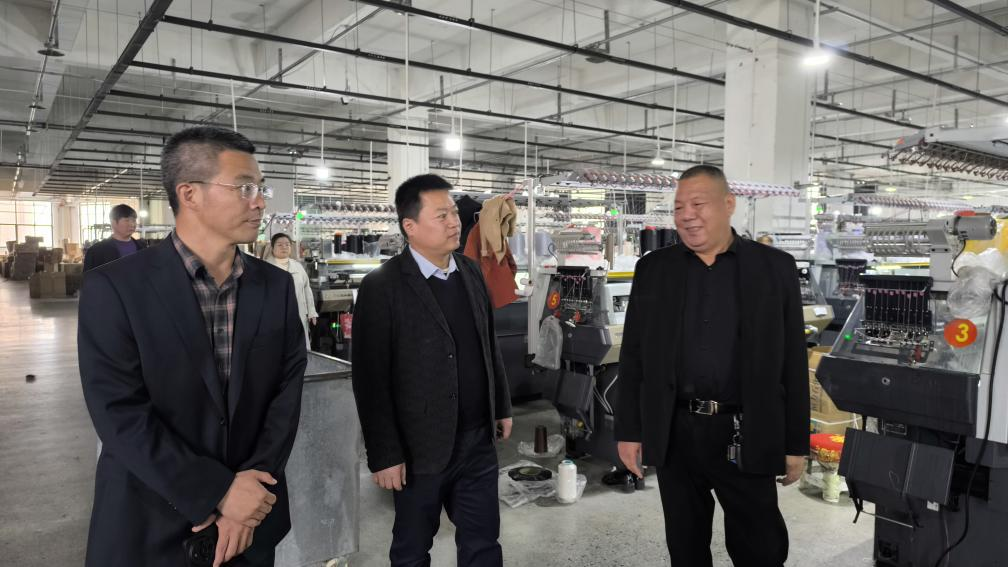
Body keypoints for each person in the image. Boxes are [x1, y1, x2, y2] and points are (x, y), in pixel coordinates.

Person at [78, 125, 307, 567]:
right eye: (244, 187)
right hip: (150, 519)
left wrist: (248, 494)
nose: (260, 202)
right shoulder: (116, 288)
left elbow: (286, 391)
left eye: (260, 188)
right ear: (190, 194)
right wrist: (217, 492)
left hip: (250, 522)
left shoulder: (274, 286)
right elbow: (119, 412)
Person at [615, 164, 808, 567]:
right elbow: (633, 357)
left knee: (761, 548)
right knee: (685, 545)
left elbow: (792, 362)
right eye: (679, 207)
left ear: (728, 204)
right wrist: (630, 432)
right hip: (676, 430)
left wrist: (795, 443)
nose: (687, 215)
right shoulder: (654, 270)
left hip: (746, 429)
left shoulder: (774, 268)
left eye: (698, 204)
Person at [352, 173, 513, 567]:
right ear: (410, 226)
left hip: (477, 441)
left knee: (483, 543)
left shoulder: (470, 272)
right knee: (412, 550)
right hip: (418, 447)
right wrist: (384, 454)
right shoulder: (382, 286)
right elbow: (370, 379)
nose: (454, 222)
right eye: (441, 216)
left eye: (454, 213)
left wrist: (502, 407)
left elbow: (488, 344)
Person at [264, 232, 318, 349]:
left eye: (287, 244)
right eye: (279, 245)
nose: (284, 247)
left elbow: (306, 288)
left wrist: (311, 312)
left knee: (299, 346)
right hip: (274, 317)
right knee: (277, 348)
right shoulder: (264, 267)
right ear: (272, 247)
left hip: (298, 314)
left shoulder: (297, 266)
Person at [82, 203, 148, 271]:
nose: (132, 224)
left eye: (134, 220)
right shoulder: (97, 251)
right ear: (113, 222)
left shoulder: (142, 248)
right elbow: (89, 276)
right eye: (127, 220)